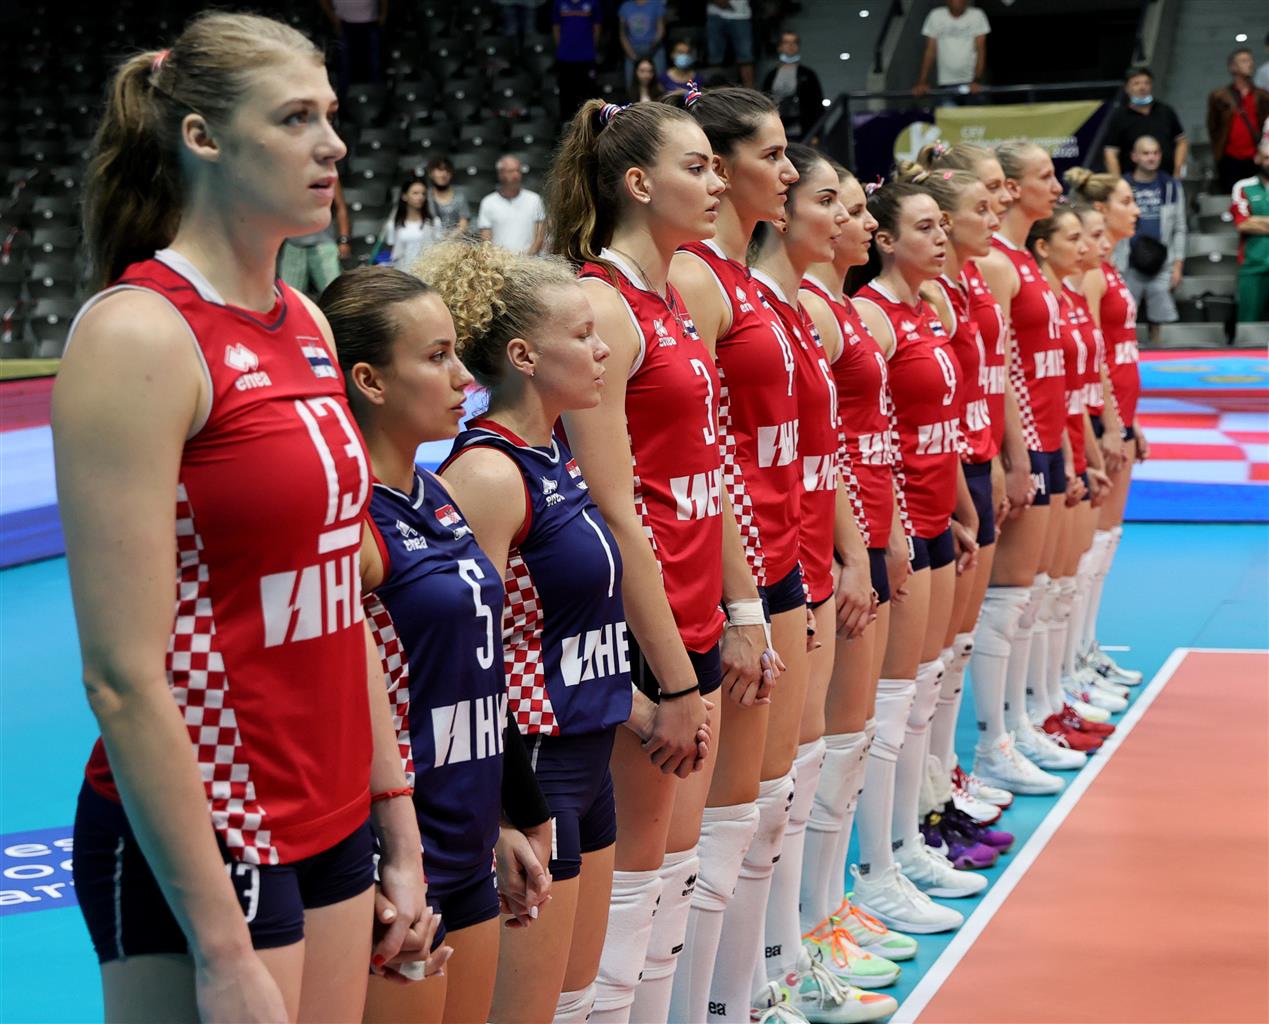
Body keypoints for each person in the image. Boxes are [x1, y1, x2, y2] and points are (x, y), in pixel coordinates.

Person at [61, 15, 437, 1021]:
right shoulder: (139, 333)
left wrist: (397, 827)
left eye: (333, 115)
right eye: (296, 118)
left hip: (332, 816)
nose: (334, 144)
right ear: (203, 138)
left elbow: (339, 596)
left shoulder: (305, 320)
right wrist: (222, 950)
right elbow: (120, 675)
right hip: (212, 827)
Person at [424, 240, 672, 1024]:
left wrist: (632, 701)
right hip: (534, 767)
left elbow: (559, 627)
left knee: (583, 997)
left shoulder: (556, 453)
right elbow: (467, 656)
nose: (604, 351)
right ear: (524, 356)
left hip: (587, 754)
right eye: (583, 335)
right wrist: (505, 810)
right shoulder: (488, 475)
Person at [546, 97, 749, 1024]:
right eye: (696, 168)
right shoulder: (601, 304)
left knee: (673, 873)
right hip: (642, 628)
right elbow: (614, 509)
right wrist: (670, 675)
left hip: (694, 611)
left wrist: (739, 612)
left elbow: (707, 467)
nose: (716, 184)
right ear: (637, 182)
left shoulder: (673, 297)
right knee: (631, 890)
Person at [321, 267, 553, 1024]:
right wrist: (380, 864)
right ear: (369, 381)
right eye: (436, 356)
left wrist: (505, 821)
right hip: (400, 863)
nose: (463, 378)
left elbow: (478, 673)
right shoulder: (349, 526)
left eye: (457, 352)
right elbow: (334, 710)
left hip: (468, 838)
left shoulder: (440, 495)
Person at [669, 86, 824, 1024]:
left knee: (769, 800)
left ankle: (751, 989)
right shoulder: (695, 281)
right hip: (731, 573)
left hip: (777, 557)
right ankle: (719, 1004)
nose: (790, 170)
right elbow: (699, 452)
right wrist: (739, 604)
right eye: (771, 154)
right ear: (720, 171)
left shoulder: (748, 282)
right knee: (721, 825)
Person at [749, 144, 897, 1021]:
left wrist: (856, 548)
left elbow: (825, 448)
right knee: (770, 797)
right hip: (771, 573)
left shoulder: (806, 309)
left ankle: (815, 926)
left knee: (814, 766)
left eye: (857, 206)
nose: (853, 220)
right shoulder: (782, 305)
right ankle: (781, 960)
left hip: (816, 556)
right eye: (834, 203)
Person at [798, 162, 932, 950]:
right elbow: (821, 448)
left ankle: (841, 901)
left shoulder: (844, 310)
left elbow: (865, 435)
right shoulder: (813, 310)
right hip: (824, 551)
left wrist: (889, 530)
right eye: (840, 207)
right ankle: (814, 922)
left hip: (869, 532)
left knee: (855, 736)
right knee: (826, 748)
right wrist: (853, 548)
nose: (862, 222)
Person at [851, 178, 989, 928]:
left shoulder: (927, 307)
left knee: (925, 688)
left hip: (936, 515)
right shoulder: (871, 316)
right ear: (886, 240)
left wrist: (962, 507)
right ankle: (878, 866)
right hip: (897, 527)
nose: (940, 238)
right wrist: (898, 529)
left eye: (942, 225)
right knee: (894, 703)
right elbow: (867, 442)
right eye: (924, 226)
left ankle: (911, 842)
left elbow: (944, 424)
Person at [895, 162, 1017, 872]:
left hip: (959, 470)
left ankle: (940, 793)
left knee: (947, 658)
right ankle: (919, 819)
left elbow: (984, 386)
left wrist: (991, 460)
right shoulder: (916, 301)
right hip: (919, 490)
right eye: (983, 199)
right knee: (913, 679)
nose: (996, 209)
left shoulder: (959, 290)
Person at [969, 139, 1085, 800]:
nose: (1056, 187)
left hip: (1040, 438)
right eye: (1044, 176)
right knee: (1010, 597)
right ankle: (997, 742)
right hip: (1011, 445)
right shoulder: (994, 264)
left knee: (1032, 592)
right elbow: (995, 370)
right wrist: (1009, 454)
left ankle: (1022, 723)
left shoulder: (1022, 263)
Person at [1064, 168, 1145, 708]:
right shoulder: (1092, 275)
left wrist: (1131, 423)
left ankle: (1086, 650)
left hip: (1118, 418)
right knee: (1088, 548)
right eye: (1126, 200)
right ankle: (1073, 662)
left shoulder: (1110, 270)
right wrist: (1112, 425)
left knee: (1105, 542)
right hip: (1097, 420)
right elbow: (1091, 358)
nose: (1135, 209)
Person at [1115, 136, 1186, 344]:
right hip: (1127, 263)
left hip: (1162, 264)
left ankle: (1160, 352)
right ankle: (1126, 352)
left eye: (1155, 153)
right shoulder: (1122, 186)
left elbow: (1180, 228)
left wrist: (1178, 265)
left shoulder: (1171, 186)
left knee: (1161, 320)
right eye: (1146, 153)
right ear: (1134, 156)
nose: (1151, 157)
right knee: (1123, 315)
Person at [1101, 65, 1187, 178]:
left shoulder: (1166, 111)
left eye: (1146, 83)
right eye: (1136, 83)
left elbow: (1181, 141)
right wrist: (1118, 183)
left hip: (1166, 178)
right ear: (1127, 88)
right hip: (1131, 182)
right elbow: (1111, 152)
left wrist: (1177, 172)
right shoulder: (1119, 117)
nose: (1142, 87)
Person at [1207, 47, 1269, 195]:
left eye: (1250, 60)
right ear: (1233, 67)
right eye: (1244, 61)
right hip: (1229, 157)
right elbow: (1213, 126)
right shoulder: (1219, 96)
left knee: (1257, 196)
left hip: (1256, 157)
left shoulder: (1262, 96)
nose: (1250, 64)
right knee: (1231, 196)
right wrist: (1219, 152)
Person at [280, 176, 351, 296]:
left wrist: (344, 240)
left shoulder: (327, 175)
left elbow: (341, 208)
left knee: (335, 295)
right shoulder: (287, 174)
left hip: (324, 244)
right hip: (294, 244)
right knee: (287, 297)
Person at [913, 0, 989, 101]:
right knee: (946, 109)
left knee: (976, 109)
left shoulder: (977, 15)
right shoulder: (936, 16)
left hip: (971, 83)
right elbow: (930, 51)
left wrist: (977, 80)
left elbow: (981, 50)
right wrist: (922, 81)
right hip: (945, 83)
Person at [761, 32, 825, 142]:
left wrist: (816, 134)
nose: (790, 45)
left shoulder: (808, 75)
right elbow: (764, 104)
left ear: (798, 47)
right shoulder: (771, 76)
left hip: (803, 130)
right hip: (777, 130)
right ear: (779, 47)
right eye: (786, 42)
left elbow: (817, 105)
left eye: (794, 42)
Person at [1232, 137, 1269, 323]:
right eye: (1267, 157)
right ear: (1257, 158)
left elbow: (1249, 221)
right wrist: (1249, 222)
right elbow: (1242, 223)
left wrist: (1256, 220)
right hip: (1253, 266)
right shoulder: (1243, 186)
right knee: (1248, 325)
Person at [477, 156, 546, 254]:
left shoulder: (535, 200)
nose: (516, 175)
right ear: (500, 173)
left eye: (518, 171)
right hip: (499, 261)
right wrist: (499, 260)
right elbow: (486, 240)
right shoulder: (488, 202)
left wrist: (527, 259)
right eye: (511, 171)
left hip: (530, 261)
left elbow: (540, 237)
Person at [319, 0, 386, 96]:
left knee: (374, 65)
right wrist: (333, 17)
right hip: (344, 23)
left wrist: (383, 15)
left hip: (371, 23)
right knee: (345, 66)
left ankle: (374, 98)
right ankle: (344, 99)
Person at [554, 0, 603, 122]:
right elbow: (556, 28)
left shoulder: (593, 3)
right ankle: (566, 125)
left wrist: (591, 48)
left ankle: (589, 124)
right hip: (565, 57)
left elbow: (597, 28)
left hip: (586, 57)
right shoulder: (559, 3)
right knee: (566, 94)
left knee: (588, 95)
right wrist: (562, 47)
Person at [383, 177, 444, 268]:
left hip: (427, 271)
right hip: (402, 272)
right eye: (415, 193)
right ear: (404, 196)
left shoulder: (435, 222)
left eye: (423, 193)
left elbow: (439, 250)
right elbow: (392, 253)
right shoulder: (393, 224)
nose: (420, 197)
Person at [705, 0, 755, 89]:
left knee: (745, 57)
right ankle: (715, 91)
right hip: (714, 14)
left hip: (741, 15)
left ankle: (750, 92)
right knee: (715, 57)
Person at [619, 0, 667, 83]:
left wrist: (652, 47)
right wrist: (630, 53)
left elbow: (661, 29)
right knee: (630, 80)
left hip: (654, 47)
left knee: (661, 80)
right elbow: (622, 34)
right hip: (632, 49)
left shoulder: (657, 4)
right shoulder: (625, 6)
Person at [426, 157, 472, 237]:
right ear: (431, 173)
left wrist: (447, 240)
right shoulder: (425, 196)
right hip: (427, 240)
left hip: (453, 242)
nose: (443, 174)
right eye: (440, 170)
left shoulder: (459, 197)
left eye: (447, 171)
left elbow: (463, 225)